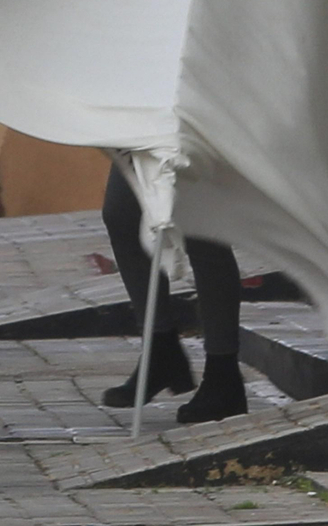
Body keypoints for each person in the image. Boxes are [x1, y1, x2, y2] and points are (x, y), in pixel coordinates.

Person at [99, 168, 248, 422]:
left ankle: (223, 373)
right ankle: (161, 349)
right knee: (122, 215)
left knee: (201, 229)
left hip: (199, 129)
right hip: (140, 128)